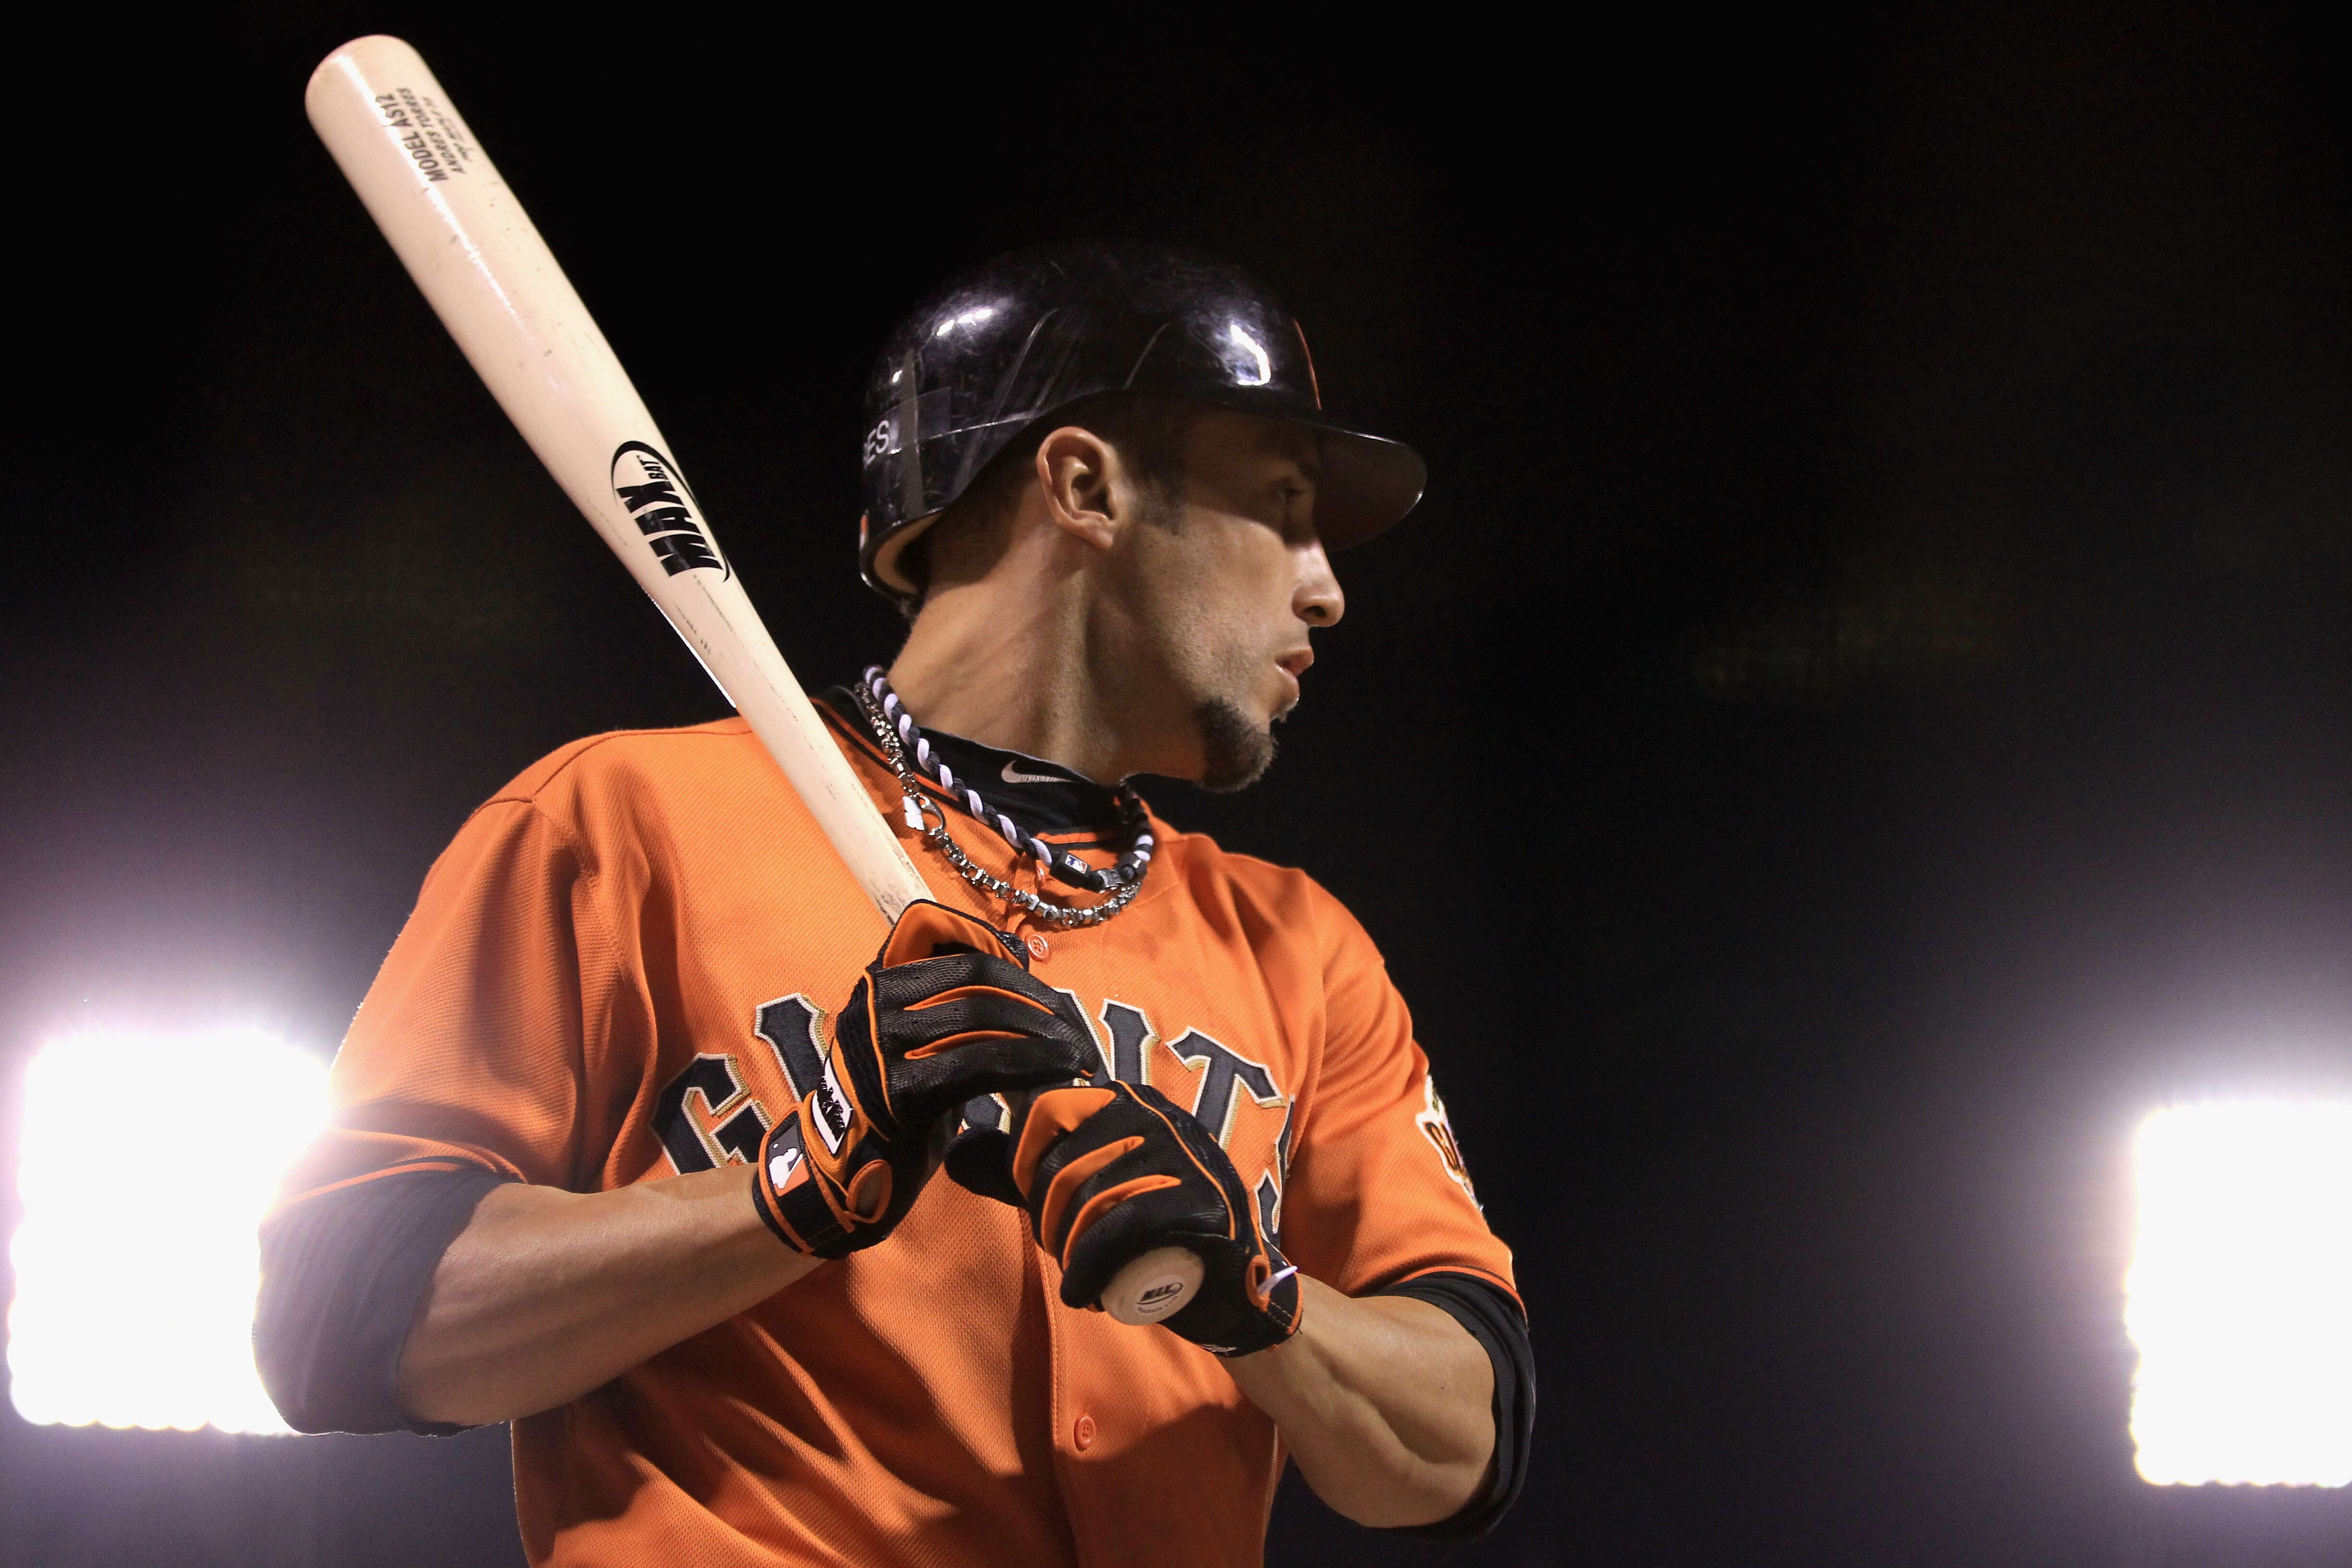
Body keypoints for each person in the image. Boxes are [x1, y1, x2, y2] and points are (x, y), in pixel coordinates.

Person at [257, 241, 1533, 1566]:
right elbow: (337, 1316)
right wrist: (784, 1199)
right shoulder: (625, 820)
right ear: (1085, 485)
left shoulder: (1299, 947)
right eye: (1281, 503)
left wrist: (1257, 1299)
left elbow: (1467, 1442)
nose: (1325, 585)